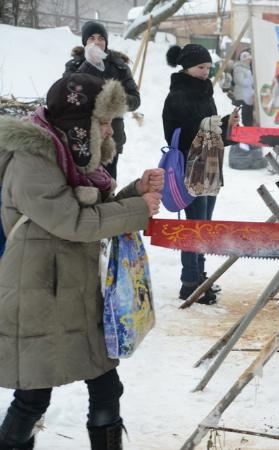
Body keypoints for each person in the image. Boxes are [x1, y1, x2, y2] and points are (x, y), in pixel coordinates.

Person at [0, 73, 163, 450]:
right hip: (37, 295)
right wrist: (136, 209)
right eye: (102, 123)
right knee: (32, 399)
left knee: (107, 388)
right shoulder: (33, 159)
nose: (108, 132)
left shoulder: (67, 153)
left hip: (73, 293)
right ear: (78, 125)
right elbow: (72, 221)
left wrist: (132, 191)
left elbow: (92, 208)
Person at [162, 44, 240, 304]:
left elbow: (213, 136)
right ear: (186, 67)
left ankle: (201, 278)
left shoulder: (206, 93)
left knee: (204, 226)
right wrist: (212, 127)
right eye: (200, 67)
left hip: (209, 166)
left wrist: (227, 126)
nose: (205, 72)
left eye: (207, 67)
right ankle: (190, 282)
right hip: (190, 167)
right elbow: (181, 136)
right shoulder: (177, 95)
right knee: (194, 227)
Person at [64, 20, 140, 180]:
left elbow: (135, 100)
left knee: (108, 183)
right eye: (92, 38)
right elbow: (67, 95)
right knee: (85, 184)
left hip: (111, 137)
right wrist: (88, 65)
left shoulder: (119, 66)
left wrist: (115, 100)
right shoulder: (74, 66)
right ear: (85, 42)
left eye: (101, 38)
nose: (97, 42)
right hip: (82, 135)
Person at [223, 50, 267, 170]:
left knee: (249, 117)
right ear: (244, 59)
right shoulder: (239, 68)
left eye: (250, 59)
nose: (249, 61)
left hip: (249, 96)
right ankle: (248, 133)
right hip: (243, 95)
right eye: (247, 59)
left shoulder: (247, 68)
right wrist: (252, 81)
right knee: (247, 117)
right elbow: (240, 81)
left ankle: (250, 136)